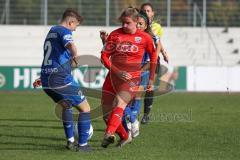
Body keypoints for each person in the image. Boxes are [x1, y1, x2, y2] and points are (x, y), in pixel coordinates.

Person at [100, 7, 157, 148]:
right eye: (122, 23)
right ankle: (125, 137)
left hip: (132, 78)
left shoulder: (145, 38)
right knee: (106, 115)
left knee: (120, 103)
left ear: (136, 21)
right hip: (113, 77)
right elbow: (104, 56)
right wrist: (117, 71)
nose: (124, 26)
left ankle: (108, 134)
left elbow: (154, 56)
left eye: (127, 23)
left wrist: (151, 79)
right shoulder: (115, 35)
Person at [40, 9, 91, 152]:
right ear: (70, 22)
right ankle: (83, 145)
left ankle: (70, 141)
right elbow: (71, 46)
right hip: (61, 80)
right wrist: (76, 56)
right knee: (85, 108)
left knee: (66, 105)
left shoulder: (52, 31)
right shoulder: (64, 31)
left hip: (46, 79)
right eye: (76, 26)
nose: (74, 30)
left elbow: (53, 56)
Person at [140, 2, 169, 124]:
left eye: (148, 11)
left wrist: (164, 53)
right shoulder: (138, 25)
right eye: (144, 10)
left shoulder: (157, 27)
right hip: (140, 59)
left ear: (152, 13)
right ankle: (131, 112)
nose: (146, 12)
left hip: (153, 60)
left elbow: (158, 42)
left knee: (149, 87)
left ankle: (146, 114)